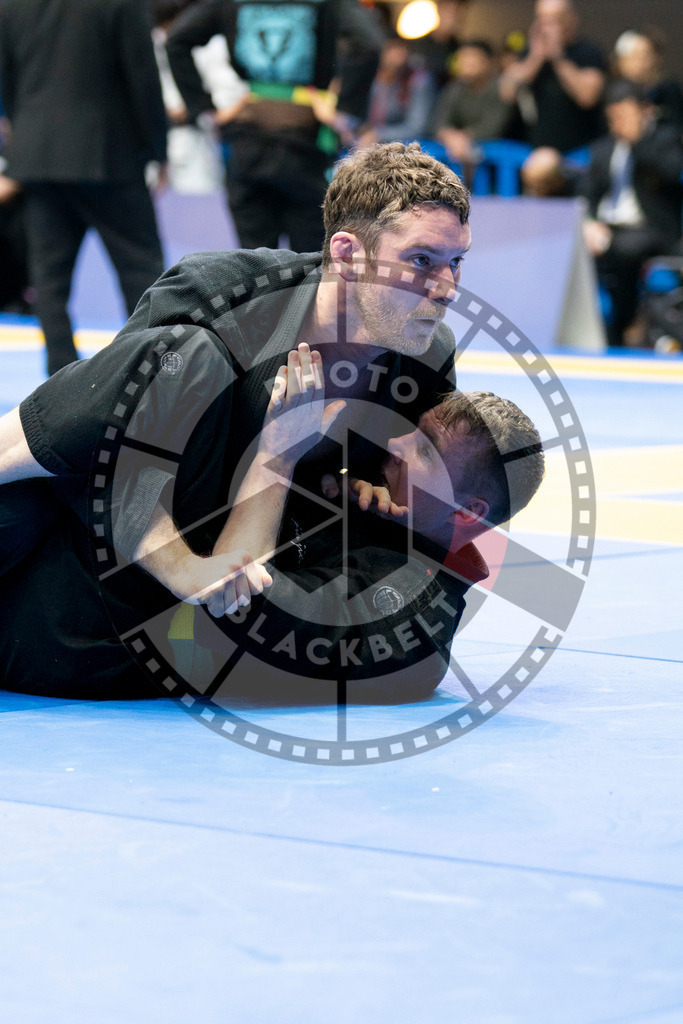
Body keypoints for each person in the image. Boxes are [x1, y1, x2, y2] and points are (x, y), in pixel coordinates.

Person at [0, 142, 471, 699]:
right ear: (347, 253)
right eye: (421, 261)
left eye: (456, 263)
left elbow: (363, 518)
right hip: (86, 534)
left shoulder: (425, 356)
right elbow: (104, 449)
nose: (446, 289)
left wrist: (361, 493)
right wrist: (180, 564)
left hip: (182, 605)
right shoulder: (217, 293)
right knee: (179, 360)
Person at [0, 0, 168, 377]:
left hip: (39, 156)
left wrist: (25, 132)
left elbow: (6, 80)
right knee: (142, 271)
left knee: (48, 277)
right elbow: (143, 77)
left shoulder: (12, 5)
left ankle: (61, 376)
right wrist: (159, 150)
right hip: (109, 155)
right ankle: (155, 370)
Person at [165, 0, 383, 251]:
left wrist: (204, 110)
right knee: (310, 263)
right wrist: (346, 112)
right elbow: (368, 43)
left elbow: (177, 39)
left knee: (254, 265)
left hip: (248, 136)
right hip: (306, 139)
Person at [580, 79, 683, 347]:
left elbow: (674, 173)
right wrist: (589, 222)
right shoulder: (603, 148)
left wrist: (638, 142)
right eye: (614, 118)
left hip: (654, 229)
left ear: (645, 111)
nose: (619, 123)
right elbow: (586, 192)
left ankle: (623, 326)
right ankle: (604, 328)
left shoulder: (665, 140)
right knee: (590, 246)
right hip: (609, 228)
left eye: (626, 115)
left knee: (624, 248)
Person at [499, 0, 606, 196]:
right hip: (535, 156)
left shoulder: (587, 52)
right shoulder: (530, 54)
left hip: (578, 155)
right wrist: (536, 57)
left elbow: (588, 96)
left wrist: (558, 57)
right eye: (541, 19)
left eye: (554, 20)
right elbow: (507, 93)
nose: (546, 27)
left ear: (571, 20)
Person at [434, 40, 512, 166]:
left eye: (472, 56)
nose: (467, 62)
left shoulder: (502, 88)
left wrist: (463, 137)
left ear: (488, 62)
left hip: (500, 158)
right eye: (463, 57)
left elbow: (493, 128)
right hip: (458, 150)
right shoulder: (454, 88)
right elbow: (439, 123)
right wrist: (450, 136)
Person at [355, 38, 436, 148]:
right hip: (371, 142)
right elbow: (367, 120)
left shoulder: (419, 80)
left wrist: (378, 134)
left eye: (401, 50)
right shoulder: (375, 79)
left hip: (408, 145)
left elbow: (416, 128)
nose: (396, 56)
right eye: (392, 49)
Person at [612, 30, 683, 135]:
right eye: (634, 57)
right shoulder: (611, 92)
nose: (641, 63)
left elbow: (675, 127)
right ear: (621, 62)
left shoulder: (668, 89)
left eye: (646, 56)